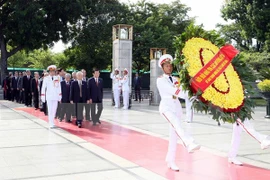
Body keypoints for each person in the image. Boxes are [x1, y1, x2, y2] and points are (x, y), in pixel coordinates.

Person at [157, 54, 200, 171]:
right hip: (166, 107)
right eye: (166, 66)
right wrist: (186, 93)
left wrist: (193, 94)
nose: (169, 67)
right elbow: (174, 91)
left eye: (170, 65)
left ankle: (170, 160)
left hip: (176, 108)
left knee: (174, 136)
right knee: (177, 124)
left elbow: (183, 90)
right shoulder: (160, 80)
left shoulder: (176, 79)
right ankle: (189, 143)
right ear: (162, 67)